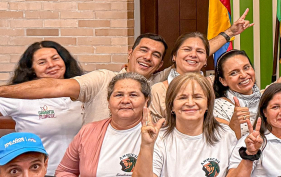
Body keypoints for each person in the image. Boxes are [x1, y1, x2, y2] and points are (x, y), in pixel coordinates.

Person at [0, 33, 167, 124]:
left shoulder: (161, 86)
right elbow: (57, 87)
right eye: (143, 50)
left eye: (155, 55)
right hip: (94, 166)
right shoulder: (102, 79)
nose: (147, 57)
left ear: (160, 64)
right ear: (130, 52)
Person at [0, 41, 84, 173]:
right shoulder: (20, 96)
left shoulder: (83, 93)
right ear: (31, 69)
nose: (51, 65)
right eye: (42, 62)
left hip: (80, 176)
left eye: (55, 58)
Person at [149, 32, 212, 118]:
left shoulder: (213, 85)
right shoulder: (158, 90)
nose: (193, 55)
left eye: (200, 51)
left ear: (205, 60)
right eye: (187, 49)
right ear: (174, 56)